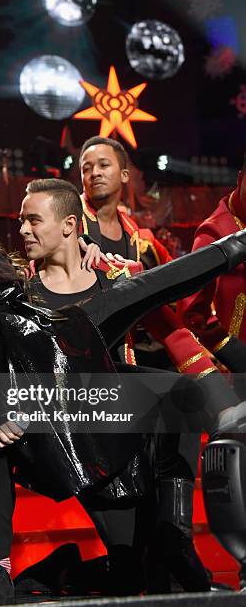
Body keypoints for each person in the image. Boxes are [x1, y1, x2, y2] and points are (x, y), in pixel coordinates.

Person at [0, 163, 246, 602]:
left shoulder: (92, 269)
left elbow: (173, 324)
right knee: (154, 318)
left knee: (179, 390)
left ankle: (159, 539)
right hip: (58, 405)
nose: (19, 227)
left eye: (33, 219)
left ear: (70, 226)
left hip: (101, 405)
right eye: (22, 220)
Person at [78, 136, 237, 592]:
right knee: (126, 542)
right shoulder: (70, 230)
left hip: (133, 378)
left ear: (126, 175)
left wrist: (212, 385)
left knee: (147, 529)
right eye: (86, 167)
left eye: (104, 164)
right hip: (83, 382)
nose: (94, 173)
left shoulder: (144, 245)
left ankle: (177, 543)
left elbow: (170, 321)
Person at [179, 152, 246, 377]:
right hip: (235, 372)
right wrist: (233, 353)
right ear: (240, 178)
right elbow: (192, 311)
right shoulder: (214, 232)